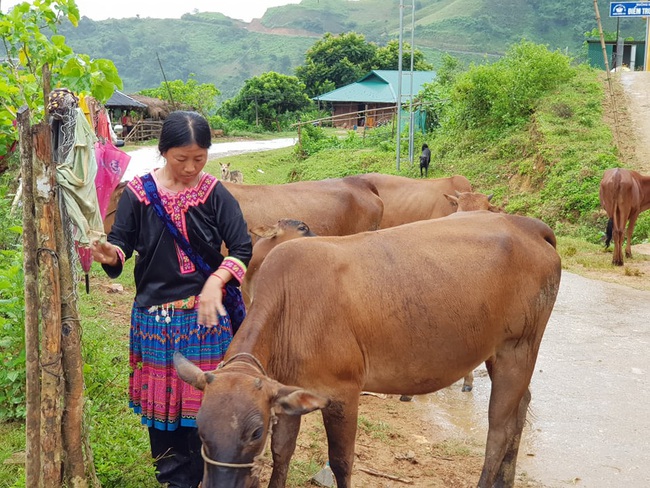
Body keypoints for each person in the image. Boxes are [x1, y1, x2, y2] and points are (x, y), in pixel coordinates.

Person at [91, 110, 252, 488]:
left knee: (209, 411)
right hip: (155, 321)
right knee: (163, 418)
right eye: (182, 159)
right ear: (164, 152)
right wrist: (110, 254)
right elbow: (123, 247)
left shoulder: (214, 193)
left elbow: (242, 246)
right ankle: (173, 480)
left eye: (200, 158)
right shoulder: (138, 194)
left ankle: (212, 475)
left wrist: (217, 279)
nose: (191, 167)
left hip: (207, 320)